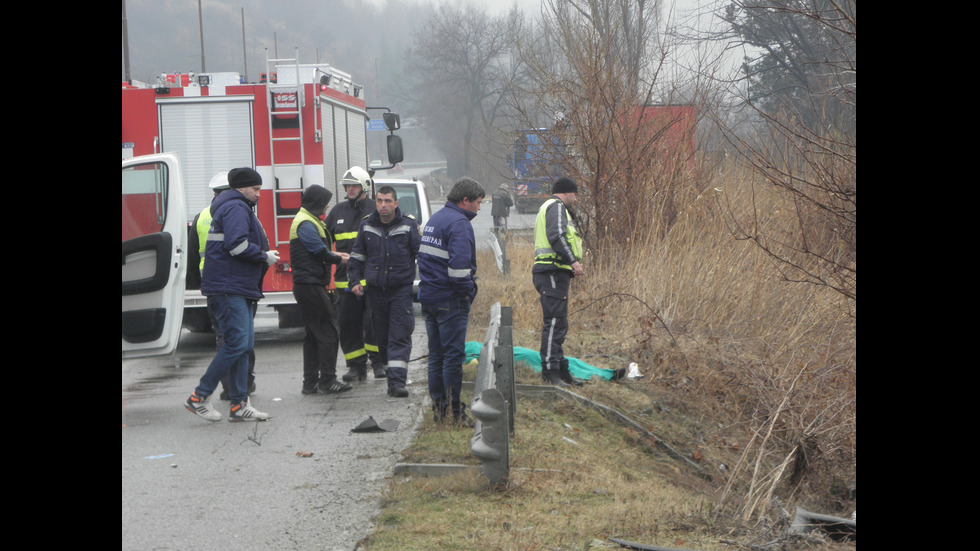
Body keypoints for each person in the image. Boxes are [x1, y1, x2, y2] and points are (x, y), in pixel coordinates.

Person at [185, 167, 279, 422]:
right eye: (256, 189)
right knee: (237, 344)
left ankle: (239, 404)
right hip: (230, 288)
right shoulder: (237, 207)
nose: (259, 194)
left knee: (243, 345)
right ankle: (199, 397)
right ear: (241, 188)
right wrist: (264, 256)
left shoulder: (232, 206)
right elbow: (237, 246)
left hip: (236, 286)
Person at [418, 178, 485, 425]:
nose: (479, 208)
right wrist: (467, 292)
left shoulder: (436, 219)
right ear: (465, 200)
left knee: (436, 357)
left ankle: (439, 411)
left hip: (430, 297)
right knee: (452, 358)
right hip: (450, 300)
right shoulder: (459, 224)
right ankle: (455, 413)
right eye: (478, 203)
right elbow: (459, 270)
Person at [347, 185, 421, 398]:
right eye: (379, 201)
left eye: (388, 201)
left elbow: (422, 256)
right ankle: (392, 376)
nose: (383, 205)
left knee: (399, 335)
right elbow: (357, 257)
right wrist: (354, 281)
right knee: (382, 338)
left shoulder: (408, 225)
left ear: (396, 204)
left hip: (400, 291)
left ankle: (397, 383)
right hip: (376, 292)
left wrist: (426, 284)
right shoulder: (367, 225)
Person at [290, 185, 354, 395]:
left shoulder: (308, 218)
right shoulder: (306, 223)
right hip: (310, 285)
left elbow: (322, 249)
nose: (327, 205)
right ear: (316, 202)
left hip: (306, 284)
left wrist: (344, 256)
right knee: (328, 332)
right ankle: (327, 380)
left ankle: (310, 383)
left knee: (313, 335)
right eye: (325, 201)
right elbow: (318, 251)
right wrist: (342, 260)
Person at [325, 166, 384, 382]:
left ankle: (378, 363)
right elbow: (324, 244)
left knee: (374, 323)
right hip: (345, 282)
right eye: (347, 186)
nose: (350, 189)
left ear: (365, 186)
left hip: (372, 280)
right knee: (348, 326)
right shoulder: (337, 212)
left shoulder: (377, 209)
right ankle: (356, 367)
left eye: (354, 185)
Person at [533, 176, 585, 387]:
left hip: (554, 271)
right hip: (552, 270)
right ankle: (550, 371)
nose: (576, 198)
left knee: (560, 322)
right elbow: (557, 236)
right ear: (567, 192)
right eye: (575, 193)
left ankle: (561, 369)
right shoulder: (556, 207)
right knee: (554, 321)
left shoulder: (551, 207)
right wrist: (573, 261)